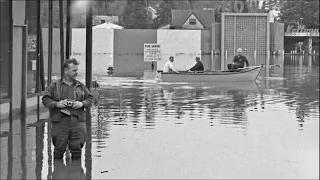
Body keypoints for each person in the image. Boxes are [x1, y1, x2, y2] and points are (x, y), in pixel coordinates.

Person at [42, 58, 93, 160]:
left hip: (77, 123)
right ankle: (58, 173)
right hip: (60, 123)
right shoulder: (54, 86)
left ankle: (76, 173)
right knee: (59, 149)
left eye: (77, 70)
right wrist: (57, 104)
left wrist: (81, 104)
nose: (77, 73)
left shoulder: (81, 86)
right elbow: (45, 100)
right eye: (74, 70)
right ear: (66, 71)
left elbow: (90, 99)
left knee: (77, 150)